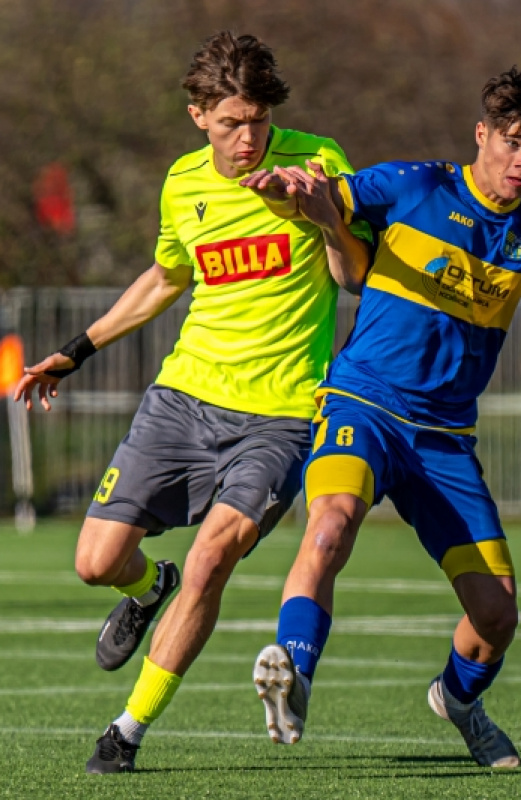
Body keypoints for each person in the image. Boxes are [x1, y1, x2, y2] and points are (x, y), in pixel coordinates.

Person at [240, 65, 521, 768]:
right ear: (482, 134)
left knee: (497, 616)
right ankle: (293, 672)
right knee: (329, 525)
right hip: (364, 405)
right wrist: (302, 192)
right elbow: (328, 205)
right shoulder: (416, 185)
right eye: (511, 142)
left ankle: (458, 700)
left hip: (444, 441)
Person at [14, 30, 371, 774]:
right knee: (94, 561)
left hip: (280, 416)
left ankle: (127, 730)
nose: (250, 140)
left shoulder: (317, 162)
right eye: (233, 123)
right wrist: (77, 350)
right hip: (183, 398)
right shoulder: (183, 184)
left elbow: (355, 277)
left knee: (213, 557)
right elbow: (166, 276)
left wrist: (322, 214)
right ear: (198, 116)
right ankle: (150, 587)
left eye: (260, 122)